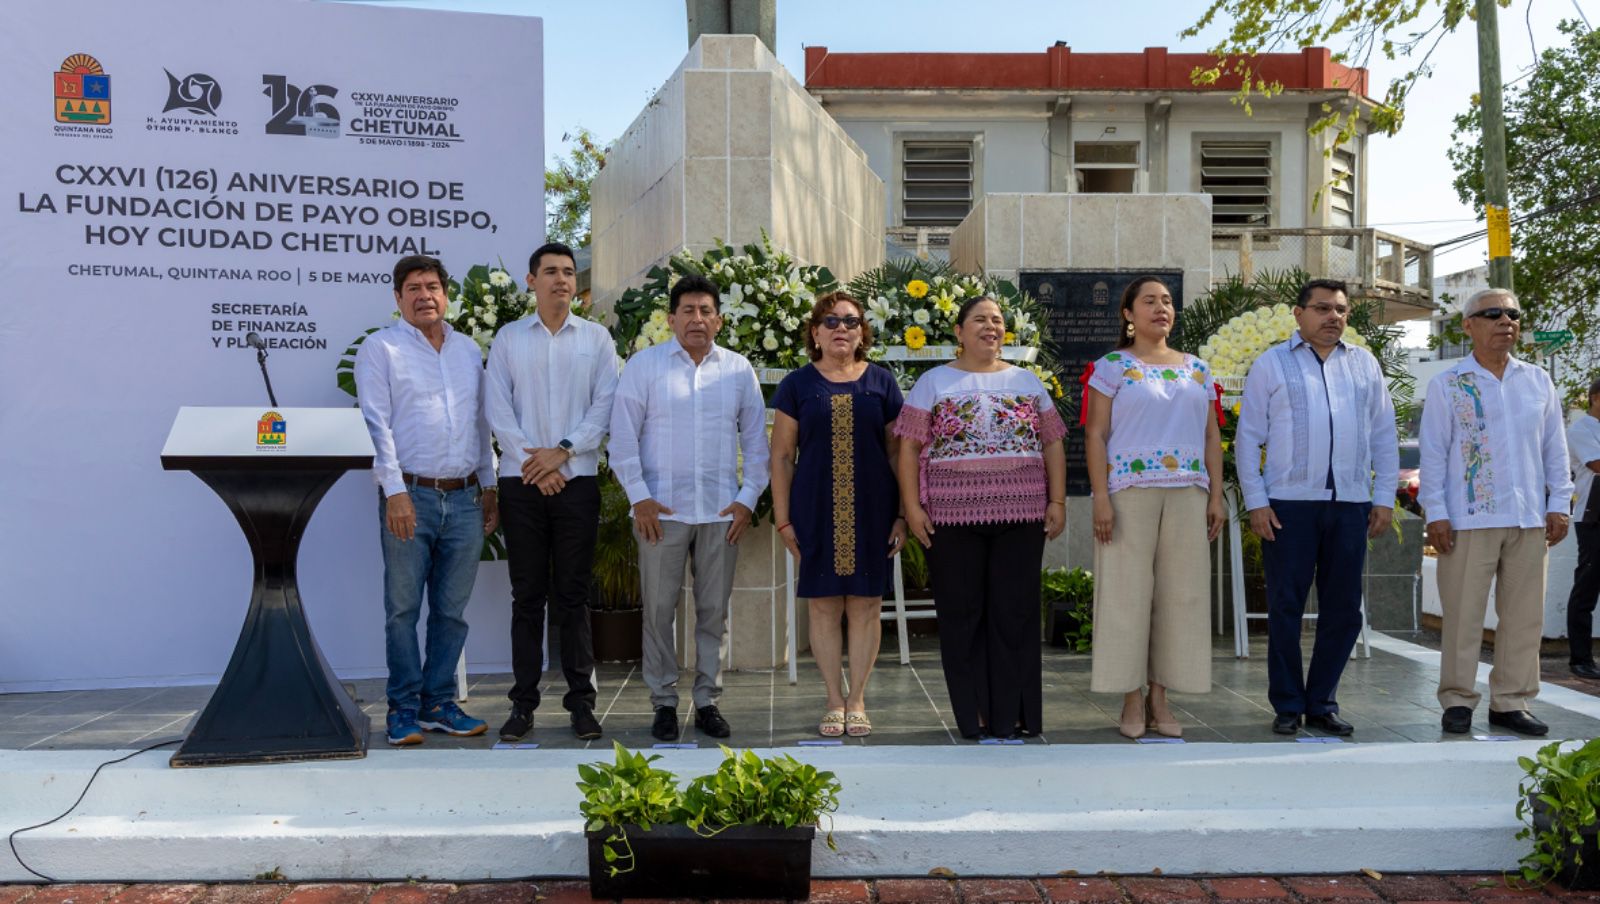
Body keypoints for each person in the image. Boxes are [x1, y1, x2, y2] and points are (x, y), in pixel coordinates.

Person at [895, 296, 1067, 740]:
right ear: (958, 332)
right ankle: (976, 716)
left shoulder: (1027, 382)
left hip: (1023, 513)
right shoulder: (932, 382)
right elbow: (909, 448)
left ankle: (1015, 716)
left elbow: (1052, 443)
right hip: (950, 519)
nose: (991, 327)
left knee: (1015, 615)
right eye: (979, 320)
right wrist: (912, 508)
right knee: (962, 614)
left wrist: (1058, 501)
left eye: (997, 320)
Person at [609, 274, 770, 742]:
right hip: (660, 513)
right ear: (672, 318)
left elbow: (756, 445)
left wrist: (746, 501)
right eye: (687, 311)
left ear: (718, 319)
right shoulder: (645, 366)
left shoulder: (739, 370)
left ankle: (707, 700)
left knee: (713, 612)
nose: (697, 319)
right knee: (658, 612)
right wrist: (638, 496)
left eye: (705, 311)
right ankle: (662, 702)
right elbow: (622, 438)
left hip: (722, 513)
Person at [1235, 278, 1398, 736]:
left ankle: (1322, 701)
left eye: (1342, 310)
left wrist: (1383, 496)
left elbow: (1384, 434)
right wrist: (1257, 503)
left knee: (1344, 609)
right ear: (1298, 313)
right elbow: (1249, 439)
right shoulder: (1271, 364)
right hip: (1289, 503)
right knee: (1285, 605)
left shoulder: (1364, 365)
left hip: (1349, 503)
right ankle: (1288, 703)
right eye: (1323, 308)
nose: (1334, 317)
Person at [354, 254, 498, 746]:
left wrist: (490, 483)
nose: (424, 295)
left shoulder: (467, 350)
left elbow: (481, 423)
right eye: (412, 288)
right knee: (402, 609)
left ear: (446, 292)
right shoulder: (382, 348)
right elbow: (376, 423)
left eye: (432, 286)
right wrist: (393, 491)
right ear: (397, 298)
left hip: (462, 499)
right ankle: (402, 708)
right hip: (408, 496)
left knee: (452, 610)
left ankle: (439, 703)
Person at [1419, 288, 1571, 736]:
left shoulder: (1537, 381)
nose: (1506, 321)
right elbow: (1432, 454)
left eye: (1513, 314)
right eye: (1493, 314)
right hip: (1468, 519)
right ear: (1468, 326)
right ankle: (1458, 699)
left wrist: (1559, 504)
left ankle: (1511, 701)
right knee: (1463, 615)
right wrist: (1436, 513)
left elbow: (1555, 450)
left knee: (1525, 618)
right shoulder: (1448, 384)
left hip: (1528, 519)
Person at [484, 241, 619, 742]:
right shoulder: (509, 339)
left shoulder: (598, 340)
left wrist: (561, 452)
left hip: (577, 481)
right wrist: (536, 462)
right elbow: (498, 409)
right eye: (551, 272)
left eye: (568, 272)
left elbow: (604, 406)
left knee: (574, 596)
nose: (561, 279)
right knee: (527, 597)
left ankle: (581, 704)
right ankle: (522, 706)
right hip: (522, 484)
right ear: (531, 281)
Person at [1083, 275, 1225, 740]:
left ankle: (1160, 697)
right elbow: (1096, 435)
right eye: (1149, 301)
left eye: (1167, 301)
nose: (1161, 308)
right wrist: (1101, 496)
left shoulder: (1198, 371)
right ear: (1128, 314)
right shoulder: (1111, 368)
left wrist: (1217, 494)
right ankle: (1129, 697)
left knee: (1180, 596)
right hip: (1127, 493)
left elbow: (1210, 438)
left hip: (1188, 491)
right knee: (1126, 596)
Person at [771, 292, 906, 738]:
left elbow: (896, 452)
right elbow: (782, 455)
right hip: (815, 509)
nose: (840, 328)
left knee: (867, 605)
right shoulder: (797, 384)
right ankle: (833, 698)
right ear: (814, 332)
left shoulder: (882, 383)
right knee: (825, 606)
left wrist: (903, 513)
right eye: (830, 322)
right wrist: (783, 518)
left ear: (863, 331)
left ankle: (858, 699)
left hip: (873, 509)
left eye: (850, 321)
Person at [1565, 377, 1600, 679]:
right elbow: (1596, 464)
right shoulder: (1580, 429)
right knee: (1587, 587)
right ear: (1596, 398)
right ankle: (1580, 658)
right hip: (1593, 518)